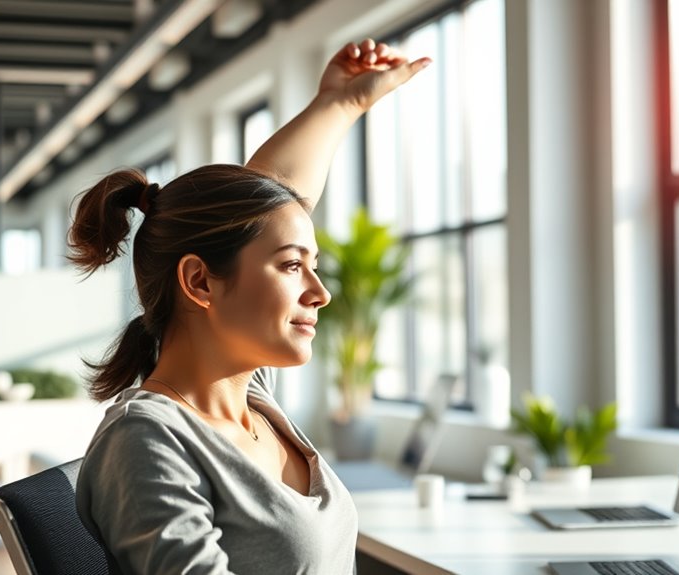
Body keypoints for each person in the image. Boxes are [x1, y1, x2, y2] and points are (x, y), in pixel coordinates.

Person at [68, 39, 430, 574]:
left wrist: (341, 104)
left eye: (313, 264)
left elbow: (268, 202)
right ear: (200, 282)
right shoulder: (148, 439)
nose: (320, 292)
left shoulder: (252, 401)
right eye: (291, 266)